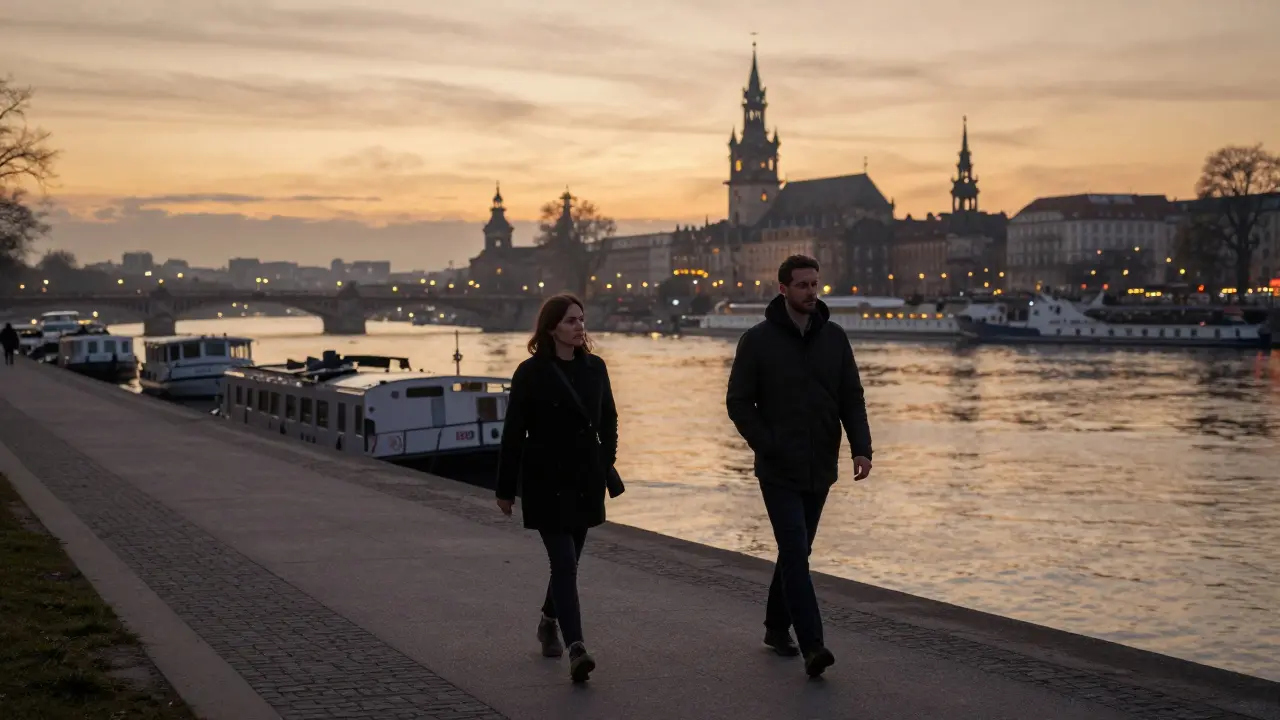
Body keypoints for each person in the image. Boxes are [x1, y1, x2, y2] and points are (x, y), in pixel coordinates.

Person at [726, 254, 873, 678]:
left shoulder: (836, 339)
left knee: (797, 552)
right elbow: (738, 402)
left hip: (821, 464)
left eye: (815, 284)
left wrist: (861, 448)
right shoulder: (757, 341)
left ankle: (775, 628)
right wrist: (766, 443)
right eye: (803, 285)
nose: (812, 292)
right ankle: (813, 645)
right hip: (778, 468)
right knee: (795, 551)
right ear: (783, 289)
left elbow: (852, 398)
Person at [495, 293, 619, 683]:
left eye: (581, 319)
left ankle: (548, 621)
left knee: (571, 563)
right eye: (569, 321)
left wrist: (606, 461)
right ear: (551, 328)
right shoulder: (530, 372)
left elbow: (610, 419)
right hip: (545, 479)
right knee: (563, 563)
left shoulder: (596, 368)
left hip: (585, 479)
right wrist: (504, 488)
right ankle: (577, 648)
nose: (579, 326)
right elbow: (514, 432)